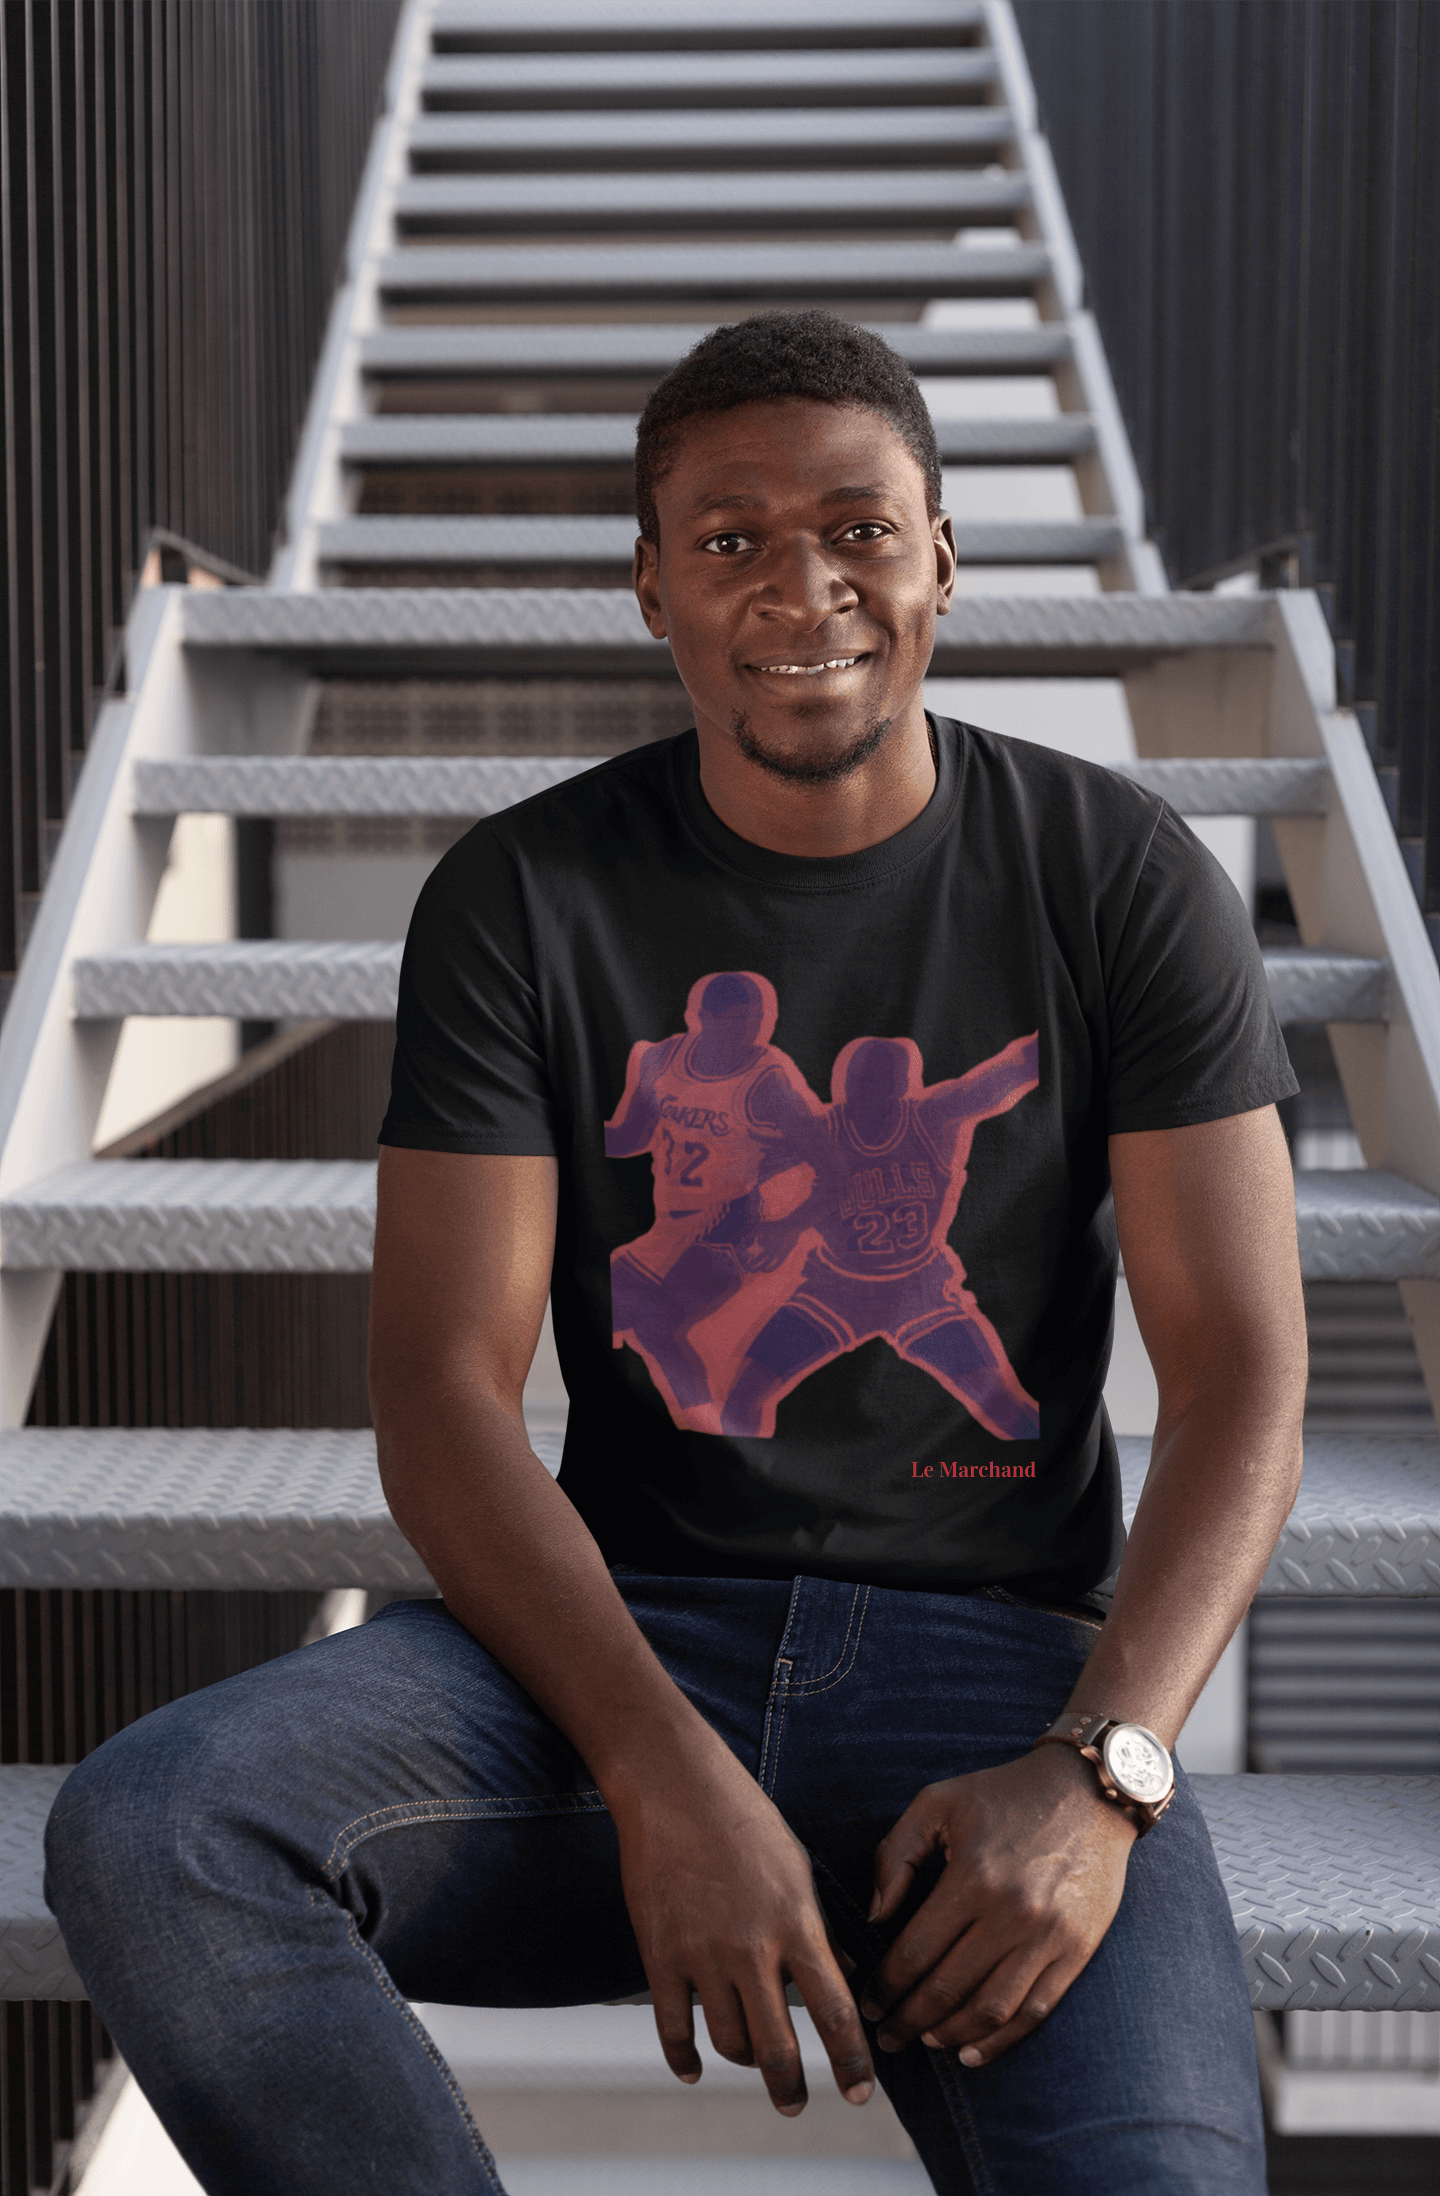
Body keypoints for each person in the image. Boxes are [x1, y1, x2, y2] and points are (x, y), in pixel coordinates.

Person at [44, 311, 1307, 2196]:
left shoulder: (1119, 879)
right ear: (653, 588)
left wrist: (1105, 1770)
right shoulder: (526, 896)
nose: (805, 585)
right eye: (729, 540)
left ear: (942, 556)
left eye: (860, 527)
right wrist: (654, 1765)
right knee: (160, 1830)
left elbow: (1243, 1381)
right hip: (616, 1649)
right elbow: (440, 1389)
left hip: (1007, 1685)